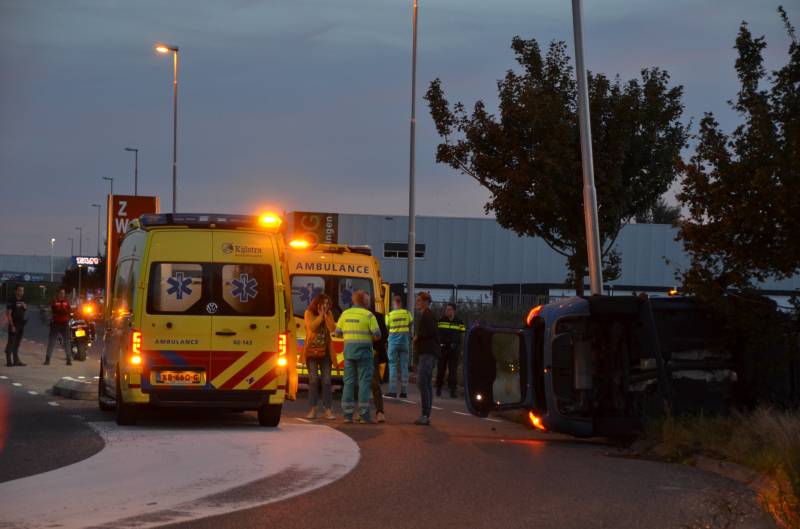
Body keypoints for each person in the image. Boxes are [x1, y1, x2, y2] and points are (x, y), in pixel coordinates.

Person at [335, 290, 381, 424]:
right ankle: (363, 415)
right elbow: (377, 335)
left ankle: (347, 415)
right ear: (364, 301)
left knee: (348, 383)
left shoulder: (345, 314)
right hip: (365, 354)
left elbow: (337, 333)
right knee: (364, 383)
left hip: (349, 353)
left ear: (353, 300)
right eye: (367, 300)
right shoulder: (368, 315)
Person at [302, 293, 337, 420]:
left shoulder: (329, 314)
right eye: (324, 303)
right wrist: (321, 316)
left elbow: (332, 328)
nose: (326, 306)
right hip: (311, 352)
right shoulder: (308, 313)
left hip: (325, 353)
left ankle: (328, 409)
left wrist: (326, 316)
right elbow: (311, 327)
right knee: (313, 380)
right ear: (318, 304)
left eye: (328, 304)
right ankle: (313, 409)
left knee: (327, 381)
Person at [413, 291, 439, 425]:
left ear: (425, 302)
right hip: (428, 352)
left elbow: (432, 331)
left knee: (422, 382)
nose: (416, 303)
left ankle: (425, 414)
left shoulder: (427, 315)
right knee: (426, 383)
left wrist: (419, 337)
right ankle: (426, 414)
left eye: (418, 301)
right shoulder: (427, 315)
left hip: (428, 353)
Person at [436, 303, 466, 398]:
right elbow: (436, 334)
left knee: (453, 371)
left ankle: (453, 391)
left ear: (454, 311)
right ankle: (438, 388)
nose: (447, 311)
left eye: (449, 309)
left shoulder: (459, 321)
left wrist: (461, 348)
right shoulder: (441, 321)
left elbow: (463, 335)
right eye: (446, 309)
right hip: (443, 349)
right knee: (441, 369)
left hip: (454, 349)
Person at [385, 296, 412, 398]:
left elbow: (387, 326)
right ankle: (404, 392)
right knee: (404, 366)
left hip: (393, 343)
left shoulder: (389, 315)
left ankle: (392, 391)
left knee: (392, 366)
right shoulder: (407, 313)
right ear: (400, 303)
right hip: (404, 342)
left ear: (393, 304)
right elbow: (411, 323)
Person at [370, 307, 389, 423]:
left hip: (372, 354)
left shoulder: (377, 316)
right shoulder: (352, 314)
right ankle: (360, 412)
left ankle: (379, 411)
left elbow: (383, 335)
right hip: (358, 354)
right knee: (358, 384)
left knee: (374, 383)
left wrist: (376, 349)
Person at [45, 288, 72, 366]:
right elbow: (54, 309)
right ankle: (47, 359)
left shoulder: (67, 302)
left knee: (67, 342)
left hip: (64, 324)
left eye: (63, 293)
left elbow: (69, 311)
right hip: (55, 324)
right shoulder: (54, 302)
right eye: (61, 293)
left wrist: (67, 314)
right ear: (58, 293)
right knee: (51, 342)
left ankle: (69, 359)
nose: (62, 294)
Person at [5, 286, 28, 367]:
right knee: (11, 342)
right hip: (14, 324)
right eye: (20, 291)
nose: (21, 292)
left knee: (17, 343)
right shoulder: (12, 300)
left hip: (21, 324)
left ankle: (16, 361)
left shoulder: (23, 300)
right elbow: (8, 314)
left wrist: (24, 305)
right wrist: (12, 325)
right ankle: (8, 361)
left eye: (22, 291)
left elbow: (25, 308)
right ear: (16, 291)